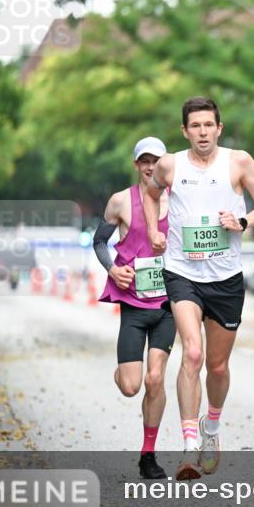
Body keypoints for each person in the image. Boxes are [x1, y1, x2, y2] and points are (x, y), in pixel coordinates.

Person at [144, 97, 254, 480]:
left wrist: (242, 220)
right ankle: (188, 447)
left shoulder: (238, 162)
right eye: (195, 126)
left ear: (219, 128)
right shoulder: (170, 165)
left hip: (226, 277)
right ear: (184, 131)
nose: (202, 132)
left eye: (208, 125)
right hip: (182, 273)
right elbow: (150, 194)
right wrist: (154, 230)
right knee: (193, 353)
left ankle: (211, 427)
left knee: (217, 366)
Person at [93, 136, 176, 480]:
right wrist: (113, 269)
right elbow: (100, 241)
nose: (151, 166)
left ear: (166, 163)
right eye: (145, 161)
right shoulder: (120, 201)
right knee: (131, 386)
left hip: (169, 304)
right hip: (133, 303)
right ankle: (122, 372)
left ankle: (148, 454)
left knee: (155, 379)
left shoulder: (179, 199)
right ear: (136, 165)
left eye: (156, 160)